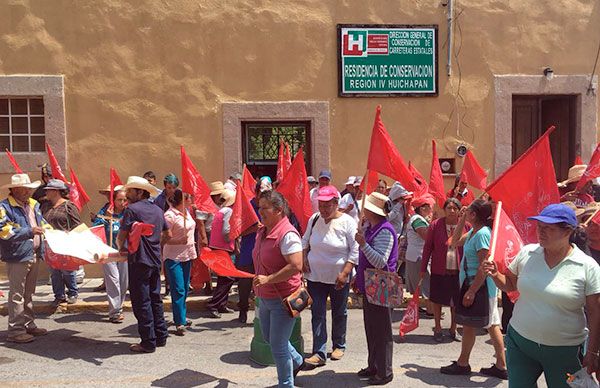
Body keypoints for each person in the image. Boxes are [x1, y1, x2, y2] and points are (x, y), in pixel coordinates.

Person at [483, 203, 600, 386]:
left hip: (565, 352)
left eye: (549, 228)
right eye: (539, 227)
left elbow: (595, 313)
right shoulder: (528, 253)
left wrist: (593, 353)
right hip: (521, 345)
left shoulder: (587, 266)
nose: (541, 232)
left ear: (568, 231)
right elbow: (510, 284)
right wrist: (496, 274)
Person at [441, 199, 507, 379]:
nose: (465, 211)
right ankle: (500, 365)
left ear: (475, 215)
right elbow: (454, 242)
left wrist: (472, 291)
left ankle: (464, 363)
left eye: (468, 210)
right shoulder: (473, 232)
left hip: (480, 287)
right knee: (490, 324)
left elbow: (483, 265)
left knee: (474, 324)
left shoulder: (482, 234)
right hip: (473, 285)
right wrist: (462, 219)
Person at [252, 190, 305, 388]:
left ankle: (286, 384)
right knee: (268, 337)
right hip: (265, 297)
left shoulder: (288, 234)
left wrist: (269, 279)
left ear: (278, 210)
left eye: (264, 208)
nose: (260, 211)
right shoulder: (262, 230)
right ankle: (298, 361)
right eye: (259, 207)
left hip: (284, 298)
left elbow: (295, 265)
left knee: (278, 345)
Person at [302, 185, 359, 368]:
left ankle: (338, 345)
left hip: (339, 277)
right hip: (315, 276)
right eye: (321, 204)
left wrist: (345, 273)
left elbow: (355, 249)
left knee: (339, 312)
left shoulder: (348, 222)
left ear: (336, 203)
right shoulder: (314, 218)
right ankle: (319, 351)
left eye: (328, 205)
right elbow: (305, 241)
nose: (324, 209)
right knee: (317, 313)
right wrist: (303, 258)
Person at [117, 176, 170, 353]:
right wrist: (155, 244)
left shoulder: (131, 210)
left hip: (139, 260)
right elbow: (168, 234)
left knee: (141, 302)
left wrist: (121, 248)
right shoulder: (158, 210)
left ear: (140, 192)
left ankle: (148, 342)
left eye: (130, 190)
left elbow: (122, 235)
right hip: (155, 259)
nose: (127, 193)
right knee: (155, 298)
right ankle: (161, 336)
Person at [353, 192, 398, 385]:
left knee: (382, 332)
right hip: (371, 286)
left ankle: (384, 371)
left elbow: (380, 261)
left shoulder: (385, 231)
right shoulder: (371, 228)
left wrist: (363, 244)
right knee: (371, 329)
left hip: (381, 287)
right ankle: (374, 366)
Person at [0, 173, 50, 343]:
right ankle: (15, 330)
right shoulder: (4, 207)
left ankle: (29, 324)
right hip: (17, 256)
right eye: (23, 189)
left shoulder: (34, 204)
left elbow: (42, 223)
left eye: (29, 189)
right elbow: (4, 231)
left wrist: (51, 232)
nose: (27, 192)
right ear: (13, 190)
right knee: (17, 294)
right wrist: (29, 232)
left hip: (33, 253)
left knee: (28, 293)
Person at [420, 198, 467, 342]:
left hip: (458, 270)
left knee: (456, 301)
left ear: (459, 211)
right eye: (449, 208)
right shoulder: (435, 225)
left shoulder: (466, 226)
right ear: (444, 210)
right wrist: (423, 268)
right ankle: (438, 328)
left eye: (455, 208)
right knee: (437, 300)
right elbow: (428, 247)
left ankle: (453, 328)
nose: (452, 211)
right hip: (439, 269)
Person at [43, 179, 82, 305]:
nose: (46, 192)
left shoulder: (68, 206)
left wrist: (71, 235)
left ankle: (72, 292)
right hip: (50, 243)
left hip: (66, 242)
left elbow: (77, 224)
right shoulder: (45, 206)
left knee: (67, 270)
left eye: (48, 190)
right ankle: (59, 295)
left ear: (56, 191)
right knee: (54, 271)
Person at [236, 178, 270, 323]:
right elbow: (237, 232)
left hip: (265, 254)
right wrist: (253, 229)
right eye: (261, 193)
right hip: (247, 253)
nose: (263, 197)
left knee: (263, 286)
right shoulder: (247, 207)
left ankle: (261, 316)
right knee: (244, 286)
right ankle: (242, 311)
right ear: (256, 192)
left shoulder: (271, 207)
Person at [163, 189, 196, 336]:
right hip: (173, 257)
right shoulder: (169, 216)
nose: (191, 199)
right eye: (189, 197)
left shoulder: (187, 212)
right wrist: (178, 241)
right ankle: (179, 322)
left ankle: (182, 315)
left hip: (187, 255)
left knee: (184, 288)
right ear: (182, 200)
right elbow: (162, 238)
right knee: (178, 289)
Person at [93, 189, 128, 323]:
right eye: (119, 200)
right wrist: (108, 219)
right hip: (108, 252)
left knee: (124, 282)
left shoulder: (128, 213)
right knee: (113, 280)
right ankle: (114, 312)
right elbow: (96, 226)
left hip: (123, 252)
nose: (122, 202)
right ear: (113, 200)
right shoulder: (104, 212)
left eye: (125, 200)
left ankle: (119, 306)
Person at [207, 182, 236, 318]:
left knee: (223, 278)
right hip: (223, 248)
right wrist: (234, 236)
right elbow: (226, 231)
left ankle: (221, 304)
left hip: (216, 247)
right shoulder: (229, 212)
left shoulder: (220, 211)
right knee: (227, 278)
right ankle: (214, 304)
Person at [405, 193, 435, 316]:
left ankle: (417, 308)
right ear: (422, 208)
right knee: (426, 283)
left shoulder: (417, 219)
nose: (431, 209)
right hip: (419, 256)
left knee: (419, 284)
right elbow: (426, 236)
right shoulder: (417, 220)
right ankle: (430, 310)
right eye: (429, 207)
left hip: (415, 255)